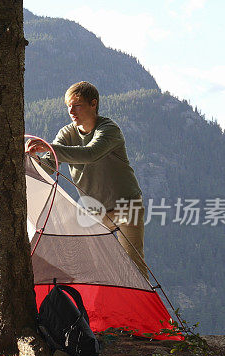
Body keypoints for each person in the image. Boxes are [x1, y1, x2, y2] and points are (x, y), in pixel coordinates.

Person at [26, 81, 147, 279]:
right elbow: (50, 166)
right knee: (92, 266)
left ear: (93, 104)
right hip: (95, 211)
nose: (71, 111)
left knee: (133, 266)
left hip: (127, 205)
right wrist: (32, 159)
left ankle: (144, 308)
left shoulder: (109, 129)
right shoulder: (67, 133)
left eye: (77, 105)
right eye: (68, 106)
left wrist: (49, 148)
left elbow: (91, 153)